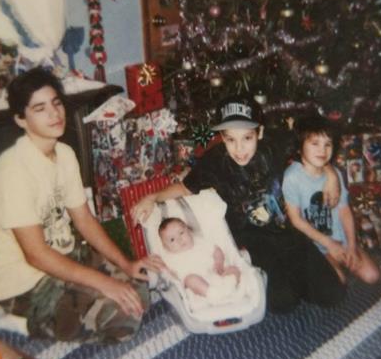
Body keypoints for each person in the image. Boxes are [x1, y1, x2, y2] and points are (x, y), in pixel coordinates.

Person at [0, 67, 164, 343]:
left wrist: (126, 265)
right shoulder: (12, 172)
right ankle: (16, 320)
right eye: (40, 108)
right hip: (26, 284)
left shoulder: (64, 154)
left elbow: (85, 220)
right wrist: (104, 283)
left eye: (56, 103)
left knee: (141, 290)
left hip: (66, 257)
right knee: (121, 319)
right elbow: (36, 255)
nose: (54, 114)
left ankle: (71, 304)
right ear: (21, 119)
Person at [133, 96, 346, 313]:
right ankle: (291, 281)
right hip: (253, 241)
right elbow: (185, 187)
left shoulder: (275, 144)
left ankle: (309, 272)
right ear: (222, 138)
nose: (239, 149)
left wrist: (330, 173)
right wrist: (153, 197)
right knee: (283, 304)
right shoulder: (214, 161)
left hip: (287, 232)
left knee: (334, 295)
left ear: (259, 132)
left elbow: (311, 149)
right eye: (230, 139)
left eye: (247, 138)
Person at [282, 115, 380, 285]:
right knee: (337, 281)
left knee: (372, 276)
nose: (323, 150)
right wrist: (329, 244)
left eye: (328, 144)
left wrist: (351, 246)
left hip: (340, 238)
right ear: (300, 146)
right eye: (315, 143)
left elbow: (344, 211)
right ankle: (333, 271)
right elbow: (296, 220)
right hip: (316, 245)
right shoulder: (292, 177)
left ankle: (344, 265)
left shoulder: (335, 174)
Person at [158, 217, 241, 302]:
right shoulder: (170, 258)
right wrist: (168, 272)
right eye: (172, 239)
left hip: (216, 273)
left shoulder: (200, 242)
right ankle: (213, 294)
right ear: (166, 247)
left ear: (189, 231)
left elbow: (217, 250)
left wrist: (219, 263)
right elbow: (169, 275)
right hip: (197, 289)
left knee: (234, 269)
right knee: (190, 280)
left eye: (181, 233)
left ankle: (230, 286)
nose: (179, 240)